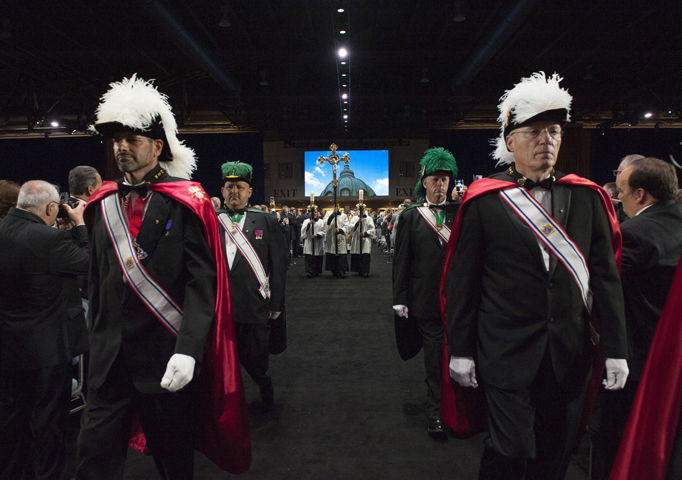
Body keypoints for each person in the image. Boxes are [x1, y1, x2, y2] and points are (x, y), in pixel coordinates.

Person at [442, 72, 628, 480]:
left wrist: (616, 348)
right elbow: (462, 283)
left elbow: (606, 278)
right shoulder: (485, 201)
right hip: (503, 351)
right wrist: (460, 348)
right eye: (534, 132)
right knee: (508, 452)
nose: (547, 140)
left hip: (568, 353)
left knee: (555, 455)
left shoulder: (588, 197)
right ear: (510, 142)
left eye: (554, 131)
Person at [77, 75, 250, 479]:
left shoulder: (188, 201)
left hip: (165, 356)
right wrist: (92, 344)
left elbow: (201, 283)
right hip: (109, 363)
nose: (121, 146)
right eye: (117, 139)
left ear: (157, 147)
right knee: (92, 461)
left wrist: (189, 349)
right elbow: (98, 282)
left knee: (174, 463)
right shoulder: (101, 205)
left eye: (132, 139)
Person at [590, 157, 682, 479]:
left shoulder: (634, 233)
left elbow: (606, 291)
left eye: (623, 193)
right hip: (672, 361)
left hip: (635, 358)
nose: (620, 200)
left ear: (640, 194)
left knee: (611, 439)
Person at [0, 180, 89, 480]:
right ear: (52, 208)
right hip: (48, 353)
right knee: (48, 427)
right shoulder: (50, 241)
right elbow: (91, 263)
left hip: (7, 350)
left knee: (11, 424)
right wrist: (80, 226)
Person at [392, 147, 461, 439]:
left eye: (445, 179)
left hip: (459, 303)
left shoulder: (461, 213)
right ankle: (435, 412)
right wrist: (399, 298)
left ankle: (458, 411)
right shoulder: (411, 216)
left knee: (460, 360)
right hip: (426, 301)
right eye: (435, 178)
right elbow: (402, 260)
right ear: (424, 181)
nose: (440, 184)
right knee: (434, 361)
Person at [217, 161, 287, 406]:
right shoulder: (211, 220)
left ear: (249, 192)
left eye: (240, 187)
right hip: (220, 307)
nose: (234, 191)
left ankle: (264, 384)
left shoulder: (266, 221)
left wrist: (276, 303)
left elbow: (278, 265)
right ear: (223, 191)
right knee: (219, 362)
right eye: (229, 186)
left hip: (254, 305)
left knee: (255, 359)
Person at [324, 204, 349, 278]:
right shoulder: (328, 214)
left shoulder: (344, 215)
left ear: (339, 207)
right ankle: (334, 271)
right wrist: (332, 215)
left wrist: (340, 230)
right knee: (332, 254)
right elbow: (326, 223)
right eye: (335, 206)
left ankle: (342, 271)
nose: (336, 207)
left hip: (340, 237)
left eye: (337, 206)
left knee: (341, 255)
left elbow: (347, 226)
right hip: (331, 238)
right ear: (333, 207)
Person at [349, 206, 375, 277]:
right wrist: (357, 223)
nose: (361, 210)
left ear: (365, 209)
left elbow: (372, 229)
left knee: (365, 254)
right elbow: (351, 227)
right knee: (357, 254)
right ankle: (358, 270)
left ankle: (365, 271)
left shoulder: (369, 218)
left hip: (365, 239)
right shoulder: (354, 218)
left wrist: (365, 233)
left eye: (363, 209)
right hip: (357, 239)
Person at [301, 208, 325, 277]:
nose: (315, 213)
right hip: (309, 241)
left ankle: (317, 271)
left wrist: (317, 235)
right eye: (313, 212)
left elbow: (324, 231)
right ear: (310, 213)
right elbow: (303, 231)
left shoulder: (321, 221)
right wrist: (309, 224)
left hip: (317, 242)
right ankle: (310, 271)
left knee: (317, 256)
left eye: (316, 212)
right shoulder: (306, 221)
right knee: (310, 257)